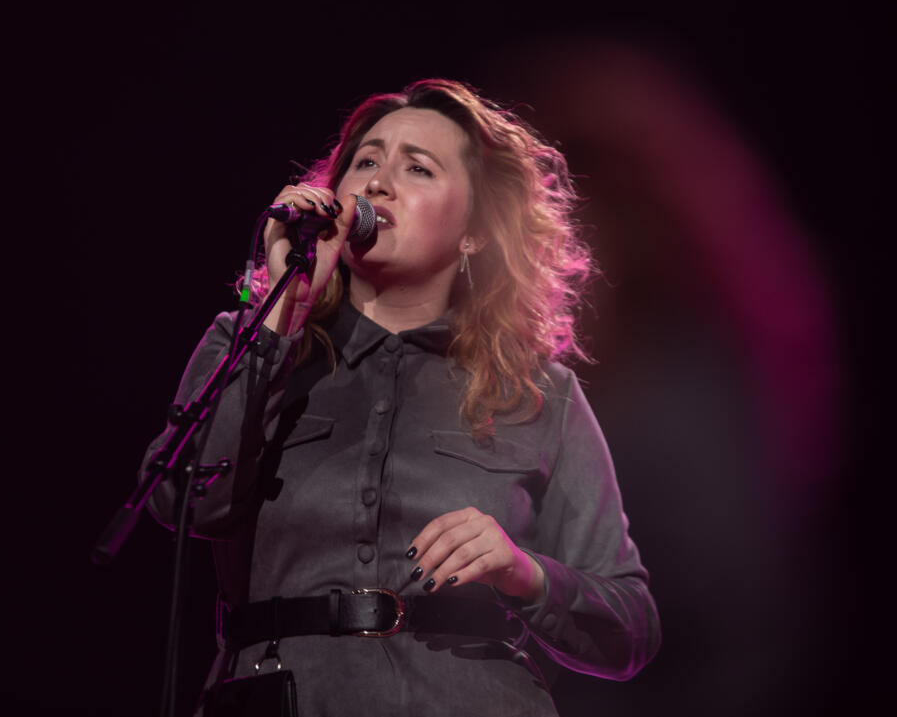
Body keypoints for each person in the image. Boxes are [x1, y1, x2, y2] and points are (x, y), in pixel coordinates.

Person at [141, 79, 660, 716]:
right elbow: (182, 500)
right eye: (365, 162)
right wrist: (281, 319)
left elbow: (631, 628)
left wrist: (523, 572)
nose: (378, 183)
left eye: (418, 168)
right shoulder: (250, 341)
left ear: (474, 233)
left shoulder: (539, 393)